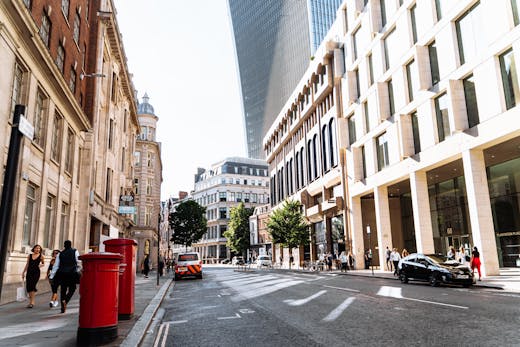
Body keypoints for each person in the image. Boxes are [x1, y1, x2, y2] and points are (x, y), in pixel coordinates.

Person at [49, 240, 80, 313]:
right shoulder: (75, 251)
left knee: (63, 289)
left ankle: (63, 307)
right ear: (71, 245)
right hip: (72, 273)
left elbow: (56, 266)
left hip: (62, 273)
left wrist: (51, 276)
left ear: (64, 245)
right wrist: (78, 270)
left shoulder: (60, 254)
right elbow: (78, 261)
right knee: (72, 288)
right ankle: (65, 300)